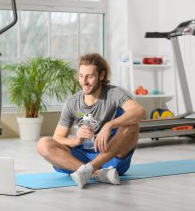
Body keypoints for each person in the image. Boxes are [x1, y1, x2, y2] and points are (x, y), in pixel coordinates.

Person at [36, 53, 146, 188]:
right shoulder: (72, 102)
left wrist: (109, 125)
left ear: (102, 75)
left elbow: (140, 111)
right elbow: (57, 137)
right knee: (43, 144)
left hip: (110, 156)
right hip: (80, 158)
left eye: (90, 76)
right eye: (81, 76)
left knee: (132, 125)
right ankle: (96, 173)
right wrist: (76, 141)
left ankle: (89, 169)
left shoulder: (114, 93)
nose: (84, 81)